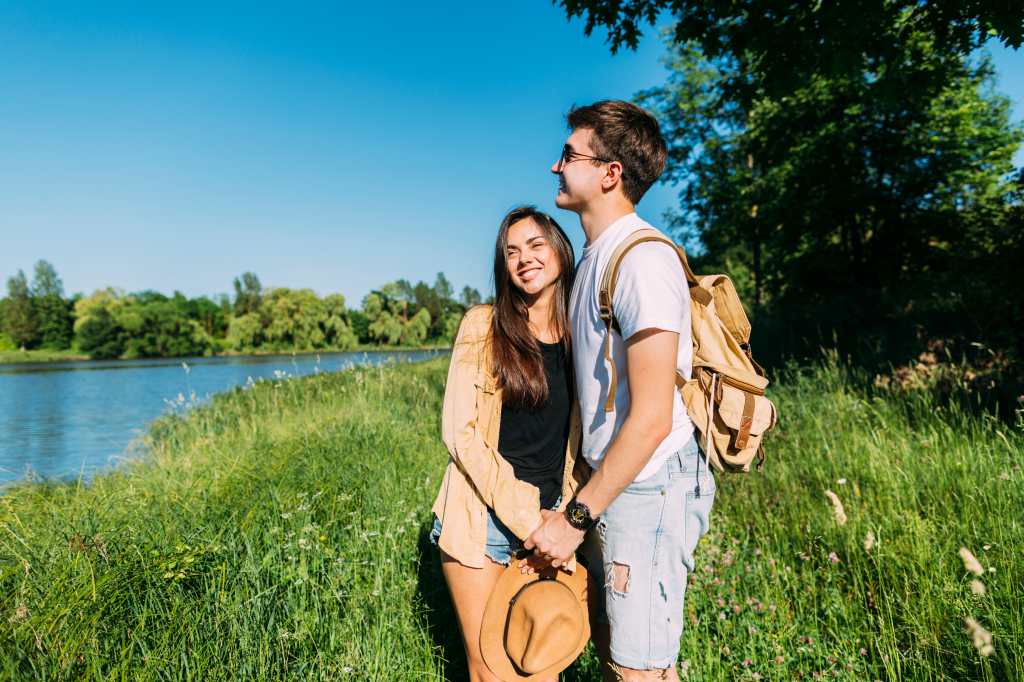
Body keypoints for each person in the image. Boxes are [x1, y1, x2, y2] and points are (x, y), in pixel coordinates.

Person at [524, 100, 715, 681]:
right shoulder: (592, 260)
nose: (556, 167)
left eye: (569, 155)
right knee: (625, 663)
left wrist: (574, 520)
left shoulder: (641, 261)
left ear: (610, 173)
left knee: (641, 673)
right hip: (617, 483)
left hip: (649, 483)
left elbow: (653, 416)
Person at [429, 205, 589, 682]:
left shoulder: (585, 333)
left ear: (560, 250)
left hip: (554, 519)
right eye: (511, 251)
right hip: (482, 520)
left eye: (536, 245)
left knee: (541, 665)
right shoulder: (483, 325)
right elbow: (460, 432)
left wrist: (561, 518)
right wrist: (527, 516)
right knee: (490, 670)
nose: (524, 259)